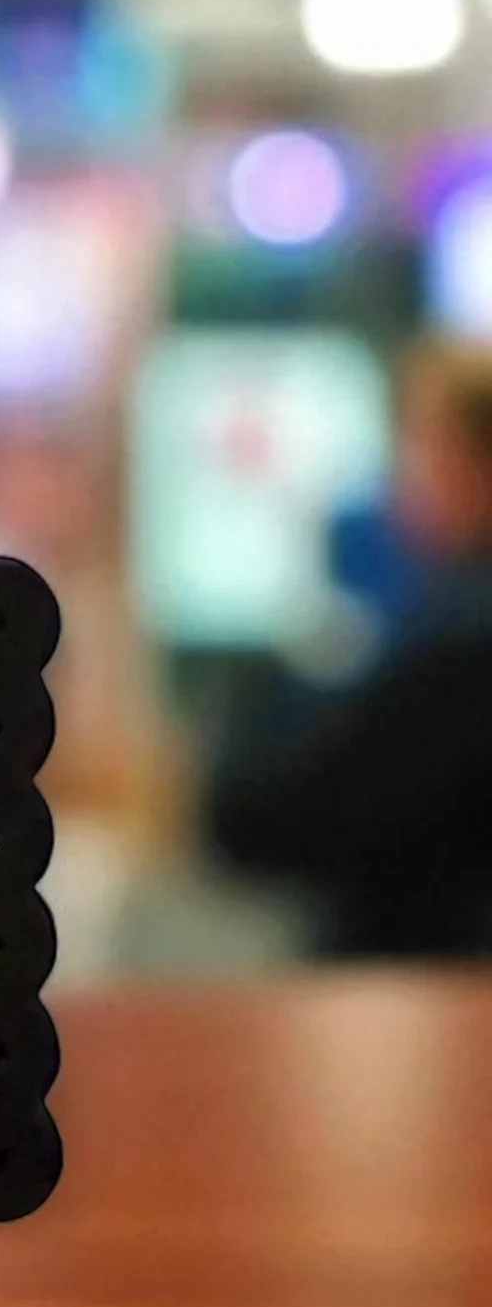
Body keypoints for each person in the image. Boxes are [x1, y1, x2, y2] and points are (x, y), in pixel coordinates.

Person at [208, 338, 492, 957]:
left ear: (472, 464)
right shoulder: (442, 621)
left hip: (426, 994)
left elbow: (260, 819)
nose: (404, 476)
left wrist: (255, 687)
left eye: (421, 442)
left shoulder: (464, 646)